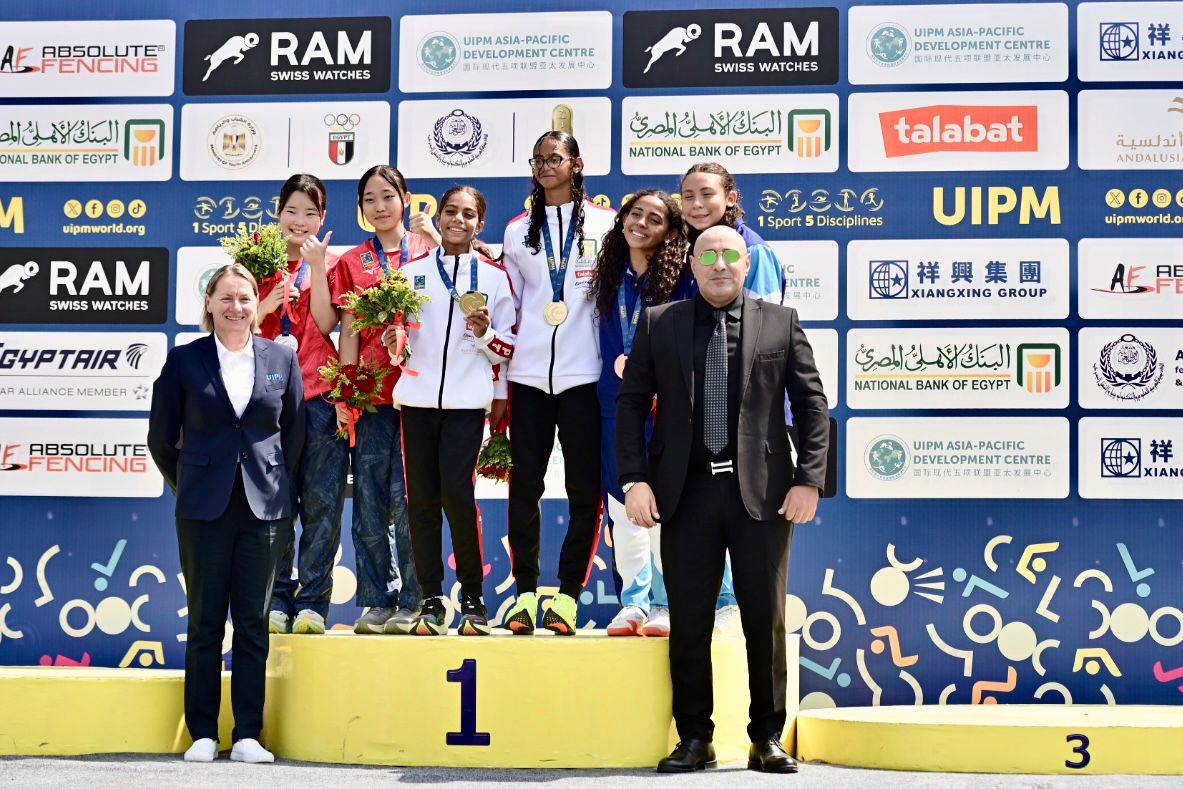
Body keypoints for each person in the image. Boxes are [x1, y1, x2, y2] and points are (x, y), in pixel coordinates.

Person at [616, 225, 829, 774]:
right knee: (689, 621)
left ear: (745, 263)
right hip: (685, 494)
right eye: (707, 254)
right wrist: (634, 480)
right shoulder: (659, 323)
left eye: (729, 254)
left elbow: (812, 406)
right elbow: (631, 404)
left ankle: (767, 737)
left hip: (763, 496)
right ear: (692, 264)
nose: (719, 264)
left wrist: (810, 480)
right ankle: (694, 738)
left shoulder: (781, 322)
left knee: (765, 619)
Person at [148, 264, 305, 764]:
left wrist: (275, 487)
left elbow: (294, 435)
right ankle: (201, 732)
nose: (236, 308)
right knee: (205, 621)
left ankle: (248, 735)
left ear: (257, 304)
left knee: (254, 622)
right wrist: (192, 482)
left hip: (265, 509)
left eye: (245, 298)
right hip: (203, 509)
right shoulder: (184, 360)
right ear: (210, 304)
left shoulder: (282, 357)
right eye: (226, 298)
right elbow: (161, 438)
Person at [385, 185, 515, 636]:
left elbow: (507, 348)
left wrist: (485, 334)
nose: (458, 219)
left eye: (468, 214)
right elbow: (400, 343)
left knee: (457, 496)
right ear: (438, 217)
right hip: (417, 402)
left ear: (480, 223)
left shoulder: (494, 278)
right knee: (420, 500)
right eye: (451, 211)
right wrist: (394, 344)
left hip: (465, 404)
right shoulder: (410, 273)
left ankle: (473, 599)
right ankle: (430, 599)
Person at [499, 131, 615, 635]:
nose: (546, 166)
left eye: (555, 158)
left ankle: (567, 596)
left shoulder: (608, 225)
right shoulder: (516, 231)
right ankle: (524, 594)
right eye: (538, 160)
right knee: (524, 487)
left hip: (584, 376)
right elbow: (507, 306)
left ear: (576, 163)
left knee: (584, 490)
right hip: (528, 377)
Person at [680, 162, 788, 633]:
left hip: (751, 423)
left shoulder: (754, 251)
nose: (697, 204)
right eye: (688, 196)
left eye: (707, 194)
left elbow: (764, 342)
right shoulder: (688, 250)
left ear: (730, 197)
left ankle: (734, 609)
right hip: (705, 420)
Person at [331, 165, 435, 634]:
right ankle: (377, 600)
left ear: (406, 198)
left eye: (388, 196)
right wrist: (347, 389)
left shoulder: (428, 251)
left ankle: (415, 599)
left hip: (421, 396)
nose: (379, 206)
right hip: (372, 397)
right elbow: (349, 329)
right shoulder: (352, 262)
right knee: (370, 500)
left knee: (410, 500)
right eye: (369, 199)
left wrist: (434, 236)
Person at [590, 189, 691, 637]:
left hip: (664, 408)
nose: (641, 224)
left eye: (654, 219)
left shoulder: (681, 280)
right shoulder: (608, 275)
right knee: (622, 504)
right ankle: (633, 603)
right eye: (635, 214)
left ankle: (666, 602)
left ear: (669, 232)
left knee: (663, 506)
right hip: (615, 407)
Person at [258, 174, 345, 637]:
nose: (300, 221)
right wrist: (266, 304)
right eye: (291, 211)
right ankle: (275, 599)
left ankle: (312, 602)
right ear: (278, 213)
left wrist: (315, 267)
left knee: (322, 505)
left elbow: (327, 324)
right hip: (268, 402)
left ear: (322, 217)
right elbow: (234, 327)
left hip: (320, 395)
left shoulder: (331, 262)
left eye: (310, 213)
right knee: (273, 506)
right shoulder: (256, 259)